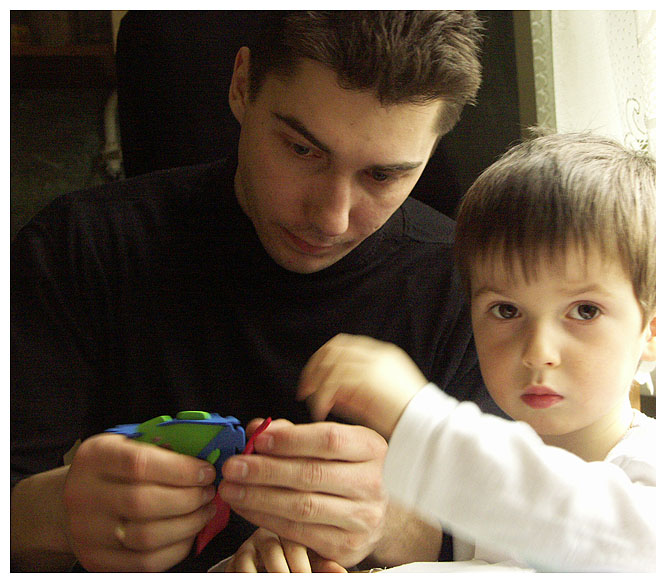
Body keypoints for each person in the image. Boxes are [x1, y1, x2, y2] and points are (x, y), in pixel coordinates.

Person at [10, 11, 502, 572]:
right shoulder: (80, 246)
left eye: (383, 176)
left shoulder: (474, 289)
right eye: (301, 150)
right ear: (242, 85)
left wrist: (392, 526)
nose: (331, 218)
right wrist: (56, 514)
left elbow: (528, 539)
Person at [277, 132, 656, 572]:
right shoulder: (492, 491)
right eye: (506, 311)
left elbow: (601, 534)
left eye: (584, 311)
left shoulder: (654, 478)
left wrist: (419, 419)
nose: (538, 352)